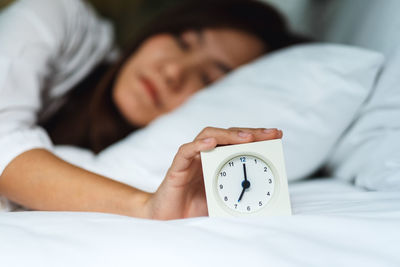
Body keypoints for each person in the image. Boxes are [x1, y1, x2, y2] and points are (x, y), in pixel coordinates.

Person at [0, 0, 304, 220]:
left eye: (208, 78)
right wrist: (143, 206)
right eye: (182, 42)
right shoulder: (56, 17)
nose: (172, 71)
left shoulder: (151, 155)